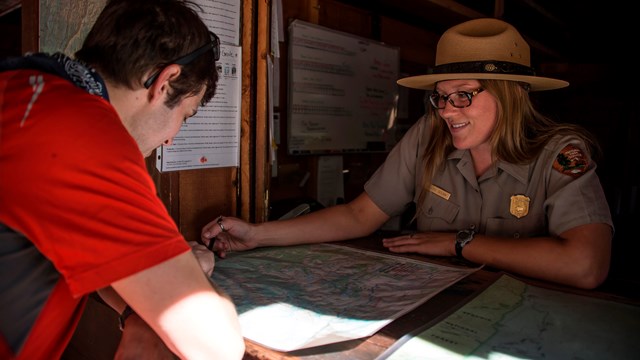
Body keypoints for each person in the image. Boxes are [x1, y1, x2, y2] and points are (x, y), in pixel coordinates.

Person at [203, 18, 613, 290]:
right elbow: (359, 215)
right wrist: (257, 234)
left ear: (512, 94)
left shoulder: (559, 154)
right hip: (435, 307)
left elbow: (586, 265)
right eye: (441, 98)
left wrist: (460, 244)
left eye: (463, 95)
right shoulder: (430, 136)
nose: (448, 110)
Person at [0, 1, 244, 359]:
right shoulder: (84, 136)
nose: (172, 138)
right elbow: (214, 343)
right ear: (165, 82)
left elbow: (84, 251)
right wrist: (190, 271)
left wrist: (138, 309)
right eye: (185, 115)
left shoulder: (24, 87)